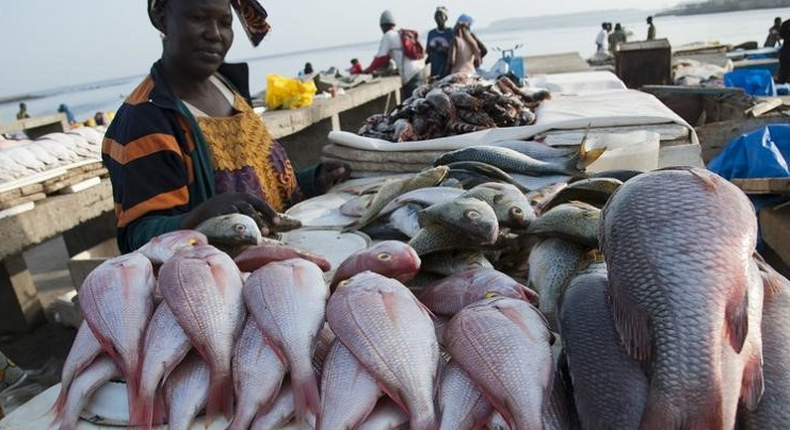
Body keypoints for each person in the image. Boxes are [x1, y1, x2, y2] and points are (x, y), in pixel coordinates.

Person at [102, 0, 350, 253]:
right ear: (161, 16)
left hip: (292, 255)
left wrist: (312, 181)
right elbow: (139, 237)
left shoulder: (228, 86)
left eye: (224, 22)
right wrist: (202, 217)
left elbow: (255, 184)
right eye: (198, 18)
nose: (215, 34)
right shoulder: (146, 119)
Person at [363, 10, 426, 99]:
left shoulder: (388, 36)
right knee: (421, 101)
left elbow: (380, 58)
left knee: (412, 106)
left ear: (382, 26)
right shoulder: (399, 34)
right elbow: (387, 57)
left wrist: (368, 70)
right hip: (421, 71)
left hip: (411, 75)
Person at [426, 6, 453, 79]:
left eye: (441, 15)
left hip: (447, 71)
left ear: (446, 18)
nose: (438, 17)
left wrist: (443, 50)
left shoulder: (451, 32)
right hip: (434, 70)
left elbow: (455, 52)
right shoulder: (431, 33)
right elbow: (428, 52)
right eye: (436, 15)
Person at [778, 18, 790, 83]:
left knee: (783, 75)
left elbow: (780, 36)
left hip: (786, 52)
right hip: (786, 52)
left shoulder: (785, 24)